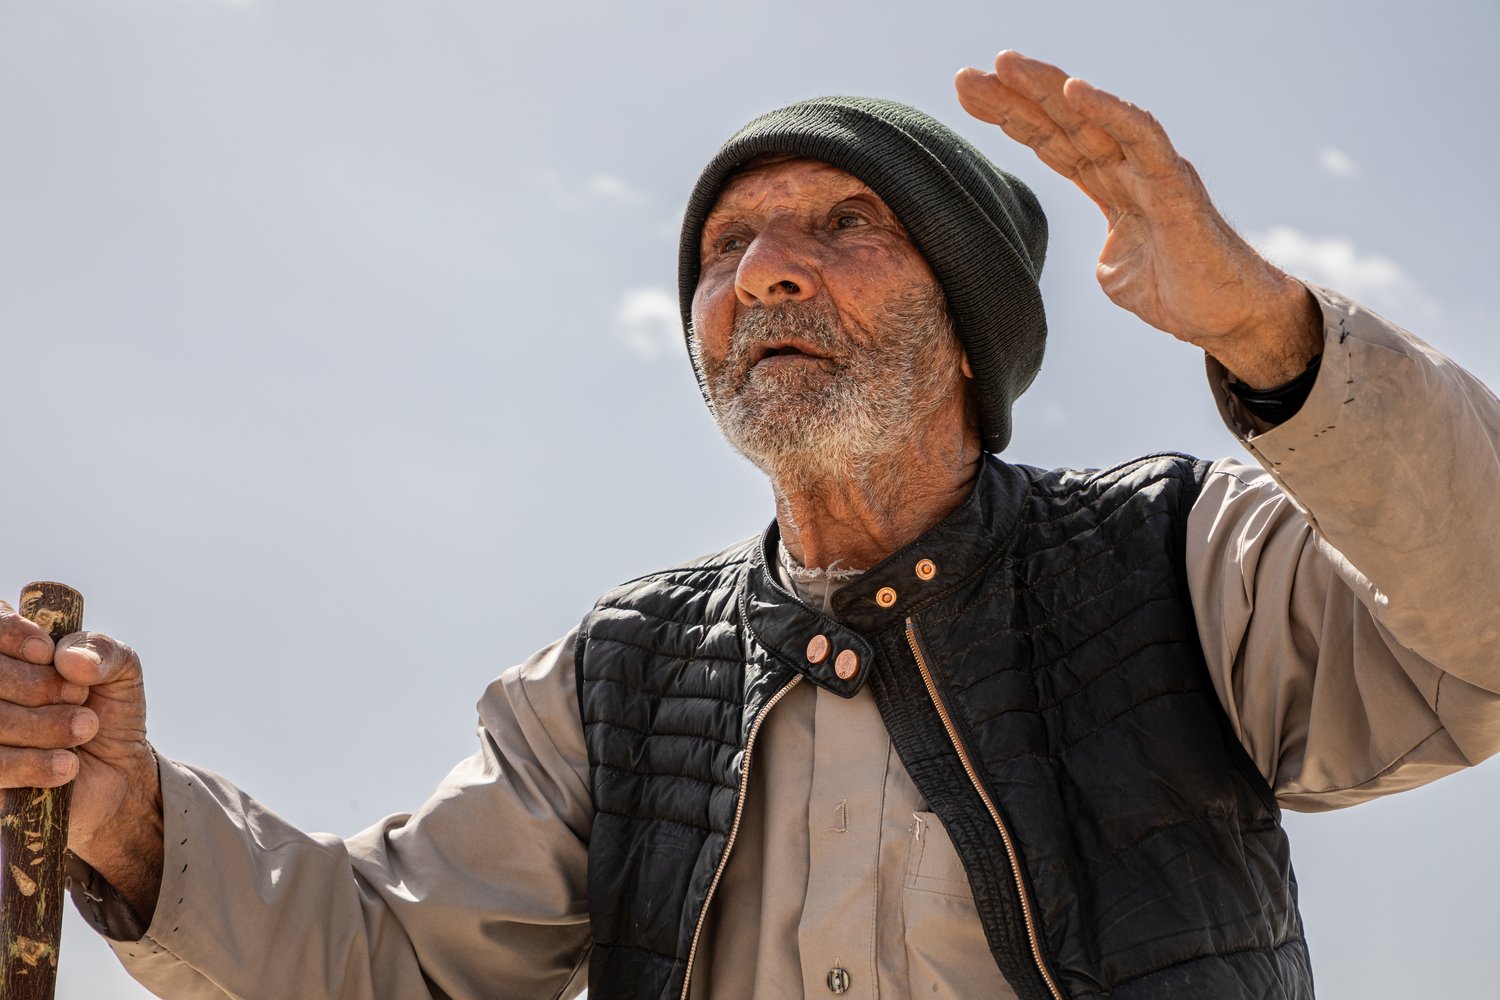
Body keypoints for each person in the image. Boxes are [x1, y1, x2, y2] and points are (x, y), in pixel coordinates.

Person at [1, 51, 1496, 1000]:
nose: (767, 271)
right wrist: (126, 816)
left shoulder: (1186, 553)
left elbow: (1476, 631)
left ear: (970, 326)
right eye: (727, 244)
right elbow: (392, 957)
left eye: (847, 225)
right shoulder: (618, 671)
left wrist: (1269, 330)